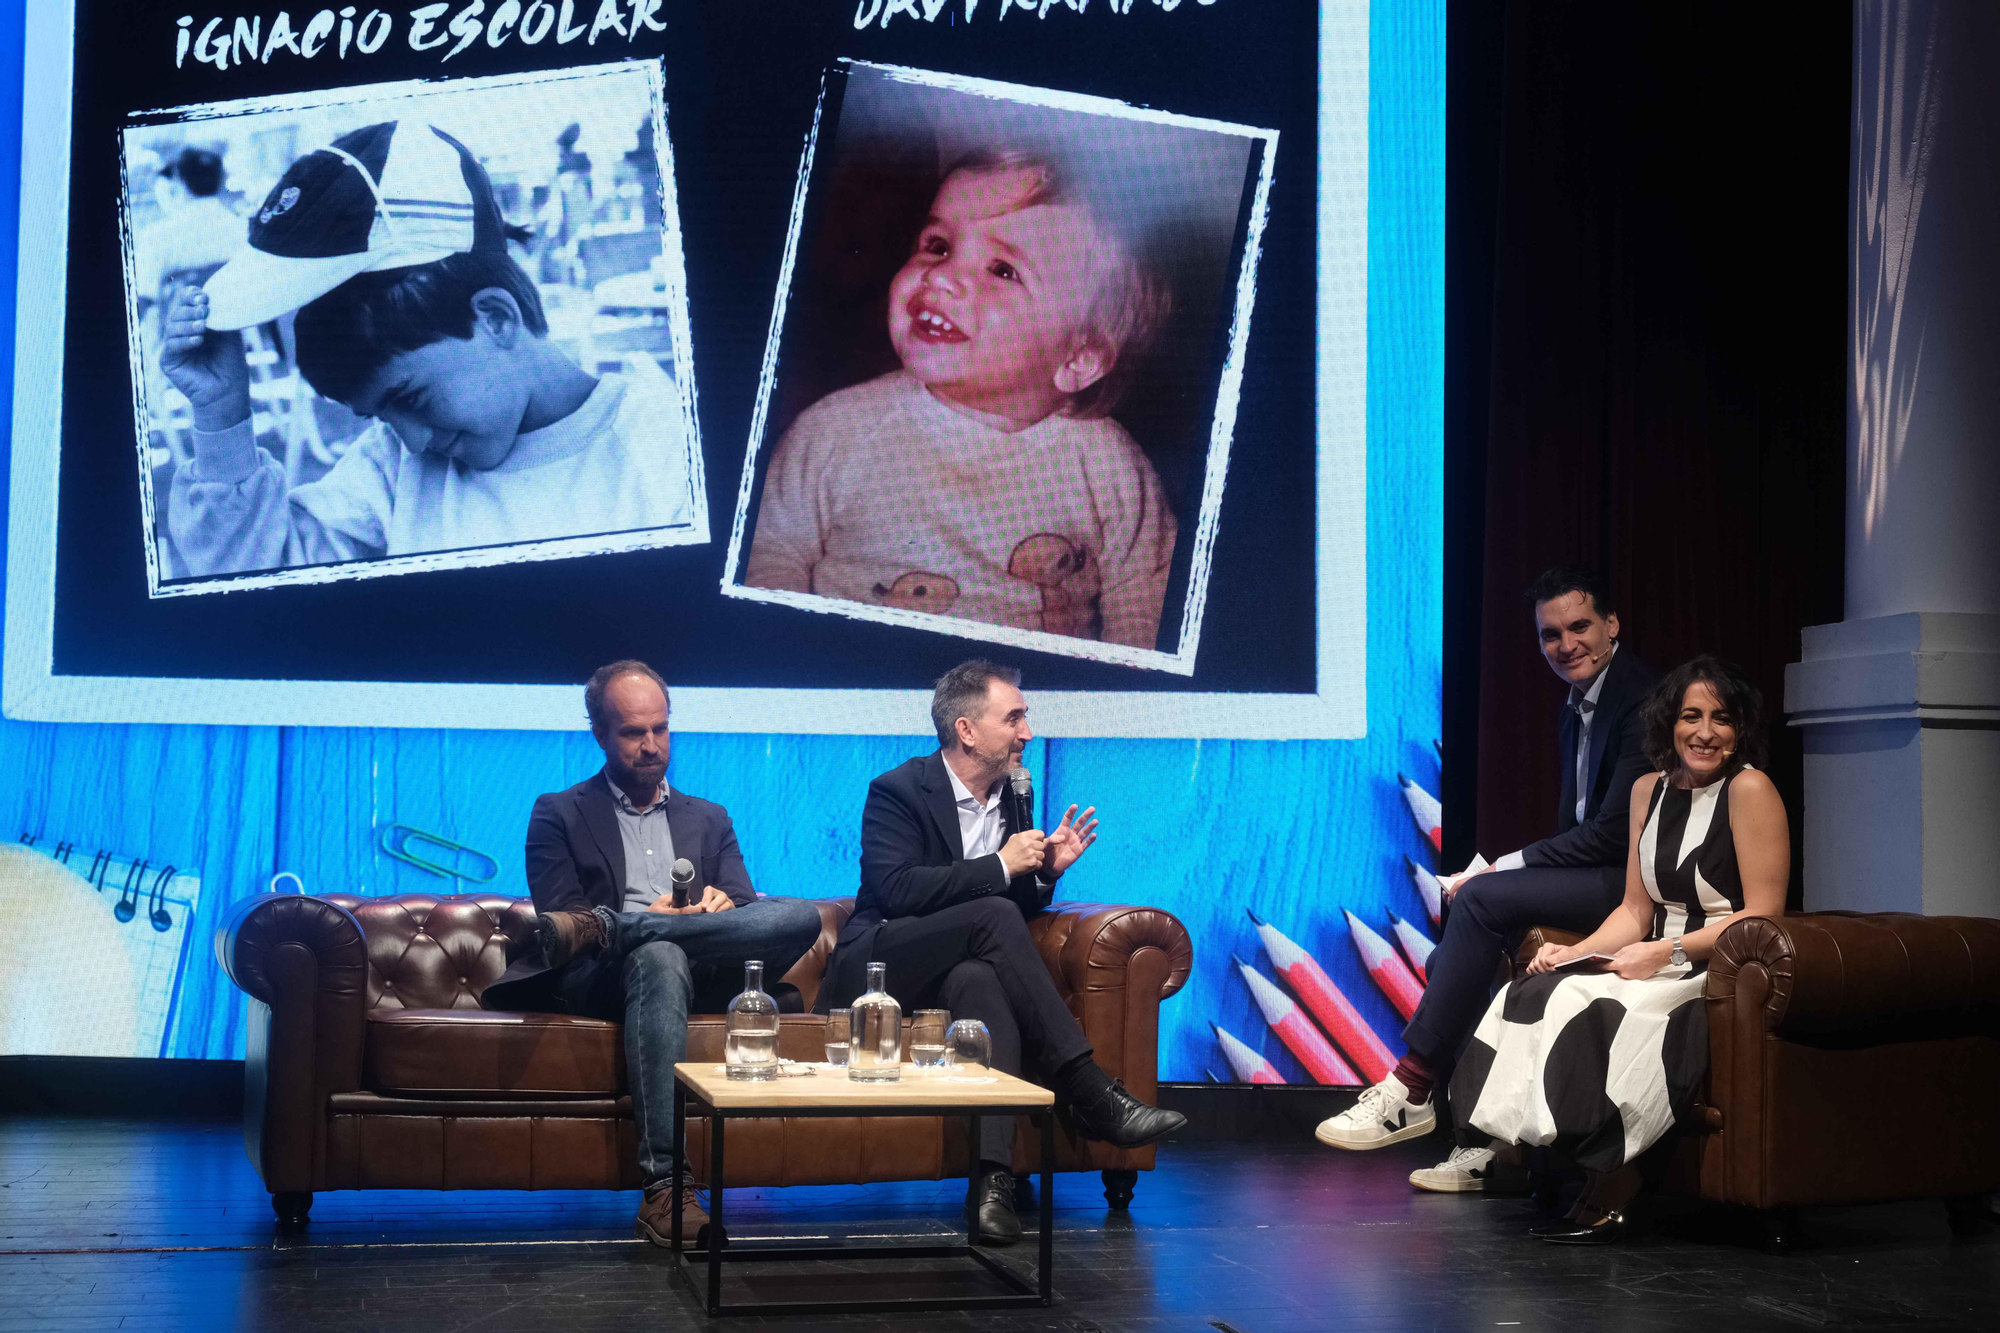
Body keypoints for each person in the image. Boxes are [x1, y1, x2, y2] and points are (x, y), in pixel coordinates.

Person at [158, 120, 692, 578]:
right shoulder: (390, 470)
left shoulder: (665, 457)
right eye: (382, 418)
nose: (411, 442)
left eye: (411, 398)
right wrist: (220, 413)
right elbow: (250, 578)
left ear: (496, 317)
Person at [744, 147, 1178, 650]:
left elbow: (1146, 593)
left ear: (1077, 359)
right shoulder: (834, 429)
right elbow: (771, 554)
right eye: (938, 245)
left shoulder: (1108, 465)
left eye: (1002, 269)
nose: (940, 275)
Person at [1315, 567, 1660, 1193]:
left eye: (1580, 627)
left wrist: (1503, 867)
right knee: (1468, 954)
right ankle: (1478, 1142)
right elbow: (1577, 825)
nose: (1566, 645)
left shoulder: (1642, 702)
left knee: (1478, 898)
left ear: (1612, 626)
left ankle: (1413, 1085)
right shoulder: (1578, 704)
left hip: (1637, 884)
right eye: (1550, 635)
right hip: (1599, 871)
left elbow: (1614, 835)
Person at [821, 660, 1186, 1245]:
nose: (1027, 732)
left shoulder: (1015, 795)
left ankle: (993, 1182)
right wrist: (998, 866)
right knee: (990, 914)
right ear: (967, 730)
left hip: (953, 968)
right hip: (880, 965)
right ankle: (1089, 1087)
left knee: (979, 981)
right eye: (1013, 718)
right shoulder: (898, 790)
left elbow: (1010, 913)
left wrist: (1044, 877)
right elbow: (896, 889)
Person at [481, 661, 824, 1250]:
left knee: (802, 915)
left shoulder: (709, 817)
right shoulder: (558, 812)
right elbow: (565, 926)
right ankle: (666, 1186)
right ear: (600, 735)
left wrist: (721, 904)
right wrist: (656, 929)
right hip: (603, 975)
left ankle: (627, 927)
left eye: (661, 730)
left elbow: (744, 903)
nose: (651, 746)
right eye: (633, 733)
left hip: (703, 964)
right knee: (659, 956)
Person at [1449, 655, 1788, 1242]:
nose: (1704, 732)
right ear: (1668, 723)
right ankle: (1515, 1148)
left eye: (1721, 719)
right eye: (1691, 716)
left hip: (1711, 966)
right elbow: (1634, 911)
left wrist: (1670, 952)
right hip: (1651, 954)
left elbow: (1763, 914)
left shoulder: (1750, 788)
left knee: (1610, 1010)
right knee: (1536, 990)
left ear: (1740, 731)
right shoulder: (1644, 791)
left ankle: (1619, 1176)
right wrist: (1574, 953)